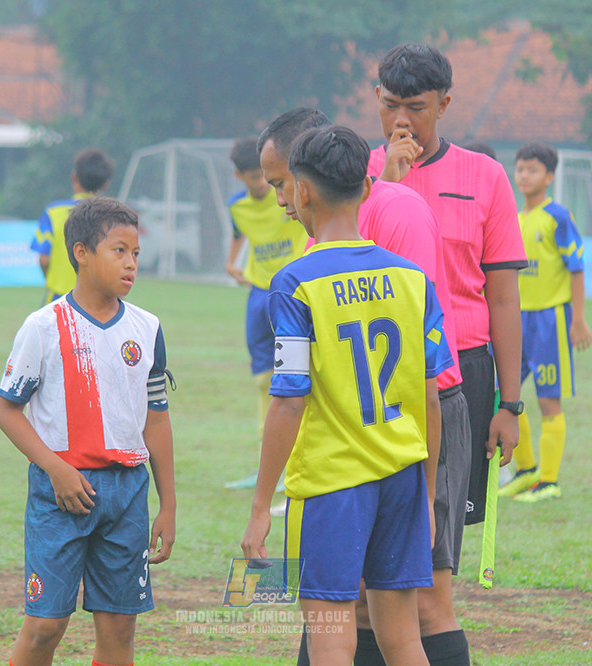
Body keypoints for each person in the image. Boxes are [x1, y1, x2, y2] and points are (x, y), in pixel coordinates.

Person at [256, 107, 471, 666]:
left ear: (302, 193)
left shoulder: (296, 282)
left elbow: (288, 399)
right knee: (402, 640)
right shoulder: (410, 279)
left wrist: (260, 505)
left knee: (332, 639)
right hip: (402, 477)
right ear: (367, 185)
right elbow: (431, 396)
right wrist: (426, 495)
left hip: (332, 485)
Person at [368, 43, 529, 665]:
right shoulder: (355, 174)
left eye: (416, 107)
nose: (401, 121)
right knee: (357, 575)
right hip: (375, 378)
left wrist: (509, 402)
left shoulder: (484, 177)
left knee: (430, 574)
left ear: (445, 104)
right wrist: (387, 184)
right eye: (389, 106)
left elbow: (504, 299)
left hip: (459, 377)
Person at [0, 197, 176, 666]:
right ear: (81, 252)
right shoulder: (43, 326)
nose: (131, 263)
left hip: (128, 494)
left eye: (136, 253)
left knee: (119, 629)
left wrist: (168, 504)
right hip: (62, 494)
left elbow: (157, 419)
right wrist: (56, 469)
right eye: (119, 251)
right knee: (45, 627)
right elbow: (6, 410)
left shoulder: (147, 327)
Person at [499, 142, 592, 502]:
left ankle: (549, 481)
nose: (524, 176)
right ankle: (526, 471)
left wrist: (578, 319)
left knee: (548, 401)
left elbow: (577, 268)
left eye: (532, 170)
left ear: (549, 176)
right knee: (505, 396)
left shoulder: (558, 217)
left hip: (550, 320)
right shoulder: (514, 218)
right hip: (516, 321)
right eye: (520, 169)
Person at [224, 137, 309, 490]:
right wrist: (231, 263)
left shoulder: (287, 196)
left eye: (266, 177)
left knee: (296, 377)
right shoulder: (237, 207)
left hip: (292, 289)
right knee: (262, 377)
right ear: (239, 176)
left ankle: (295, 459)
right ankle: (268, 462)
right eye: (254, 177)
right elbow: (237, 234)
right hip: (260, 293)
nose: (263, 184)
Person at [31, 147, 115, 305]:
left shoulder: (53, 212)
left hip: (57, 297)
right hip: (96, 300)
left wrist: (54, 280)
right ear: (105, 184)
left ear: (74, 177)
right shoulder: (110, 216)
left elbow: (43, 259)